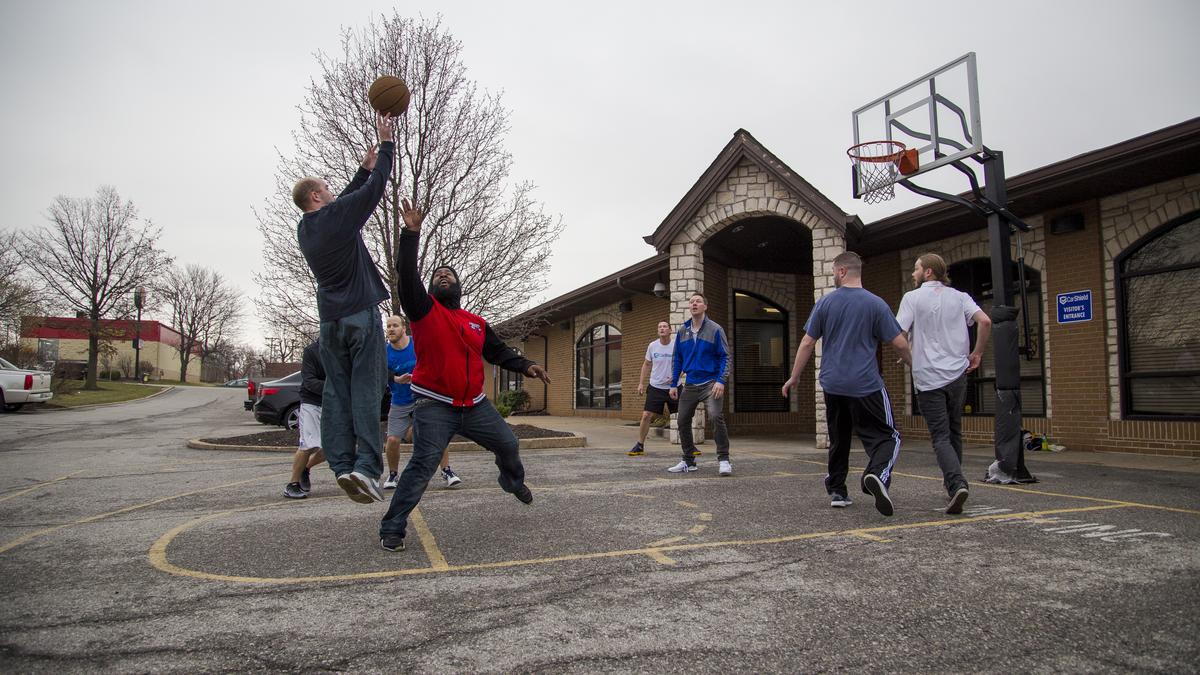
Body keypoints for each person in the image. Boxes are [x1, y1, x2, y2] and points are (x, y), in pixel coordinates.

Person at [378, 199, 552, 552]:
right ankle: (393, 526)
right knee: (424, 465)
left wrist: (525, 365)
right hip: (434, 405)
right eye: (437, 275)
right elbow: (406, 277)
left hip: (474, 405)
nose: (444, 275)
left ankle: (512, 481)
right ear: (429, 288)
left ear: (458, 285)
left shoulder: (476, 322)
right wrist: (410, 234)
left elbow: (497, 351)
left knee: (509, 444)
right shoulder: (423, 310)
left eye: (450, 274)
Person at [293, 112, 394, 505]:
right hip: (358, 315)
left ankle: (342, 467)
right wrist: (385, 147)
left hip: (329, 322)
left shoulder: (307, 227)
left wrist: (359, 171)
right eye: (326, 188)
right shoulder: (334, 217)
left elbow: (344, 203)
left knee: (337, 394)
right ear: (316, 196)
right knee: (367, 389)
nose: (333, 191)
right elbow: (370, 194)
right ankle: (368, 470)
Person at [782, 251, 912, 516]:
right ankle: (876, 474)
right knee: (888, 436)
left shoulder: (825, 303)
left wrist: (794, 377)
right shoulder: (876, 304)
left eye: (833, 270)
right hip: (865, 384)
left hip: (833, 384)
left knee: (839, 437)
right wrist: (912, 363)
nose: (833, 274)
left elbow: (807, 342)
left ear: (842, 271)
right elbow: (899, 342)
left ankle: (838, 490)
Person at [896, 253, 992, 514]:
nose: (913, 274)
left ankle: (957, 482)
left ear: (928, 272)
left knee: (940, 436)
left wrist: (910, 360)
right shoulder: (960, 297)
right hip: (957, 374)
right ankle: (953, 485)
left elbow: (898, 336)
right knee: (954, 430)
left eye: (916, 269)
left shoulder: (911, 298)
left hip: (928, 378)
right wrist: (978, 353)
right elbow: (985, 321)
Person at [383, 315, 462, 490]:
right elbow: (380, 374)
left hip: (424, 397)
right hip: (400, 401)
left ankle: (447, 471)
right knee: (393, 439)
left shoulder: (417, 344)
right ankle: (393, 475)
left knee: (437, 434)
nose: (391, 329)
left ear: (404, 329)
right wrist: (395, 379)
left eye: (395, 325)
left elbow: (434, 363)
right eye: (388, 326)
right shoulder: (384, 352)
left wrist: (421, 378)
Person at [667, 293, 732, 476]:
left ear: (705, 306)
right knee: (682, 420)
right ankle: (689, 460)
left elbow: (725, 357)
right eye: (691, 302)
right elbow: (677, 358)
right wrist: (673, 383)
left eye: (698, 301)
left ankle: (724, 459)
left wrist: (721, 380)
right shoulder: (683, 331)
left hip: (711, 383)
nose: (694, 304)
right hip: (690, 384)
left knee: (715, 416)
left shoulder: (715, 329)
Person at [283, 340, 327, 499]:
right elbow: (309, 382)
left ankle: (305, 469)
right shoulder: (311, 351)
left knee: (331, 448)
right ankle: (292, 484)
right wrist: (335, 386)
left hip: (332, 404)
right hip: (311, 403)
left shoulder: (340, 349)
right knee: (308, 444)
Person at [628, 321, 679, 457]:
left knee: (684, 416)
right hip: (656, 386)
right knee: (646, 416)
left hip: (674, 387)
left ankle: (690, 446)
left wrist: (676, 377)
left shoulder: (676, 345)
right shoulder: (653, 346)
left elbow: (685, 363)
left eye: (664, 327)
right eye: (660, 327)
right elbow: (646, 364)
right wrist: (640, 383)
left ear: (670, 330)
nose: (662, 329)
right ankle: (639, 445)